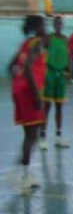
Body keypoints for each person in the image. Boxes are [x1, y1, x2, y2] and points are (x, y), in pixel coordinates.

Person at [9, 15, 47, 193]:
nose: (44, 27)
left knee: (32, 133)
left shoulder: (26, 44)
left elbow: (11, 66)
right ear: (37, 27)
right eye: (43, 25)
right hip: (30, 91)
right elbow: (30, 70)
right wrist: (36, 95)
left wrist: (18, 81)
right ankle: (25, 175)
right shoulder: (37, 43)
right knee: (32, 135)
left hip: (19, 89)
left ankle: (24, 163)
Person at [39, 16, 70, 149]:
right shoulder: (48, 38)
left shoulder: (65, 39)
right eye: (56, 23)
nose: (58, 25)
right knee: (46, 106)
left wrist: (69, 71)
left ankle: (58, 136)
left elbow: (68, 56)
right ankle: (43, 137)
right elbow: (41, 51)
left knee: (59, 107)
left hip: (61, 75)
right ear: (53, 25)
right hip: (50, 74)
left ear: (62, 25)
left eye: (60, 23)